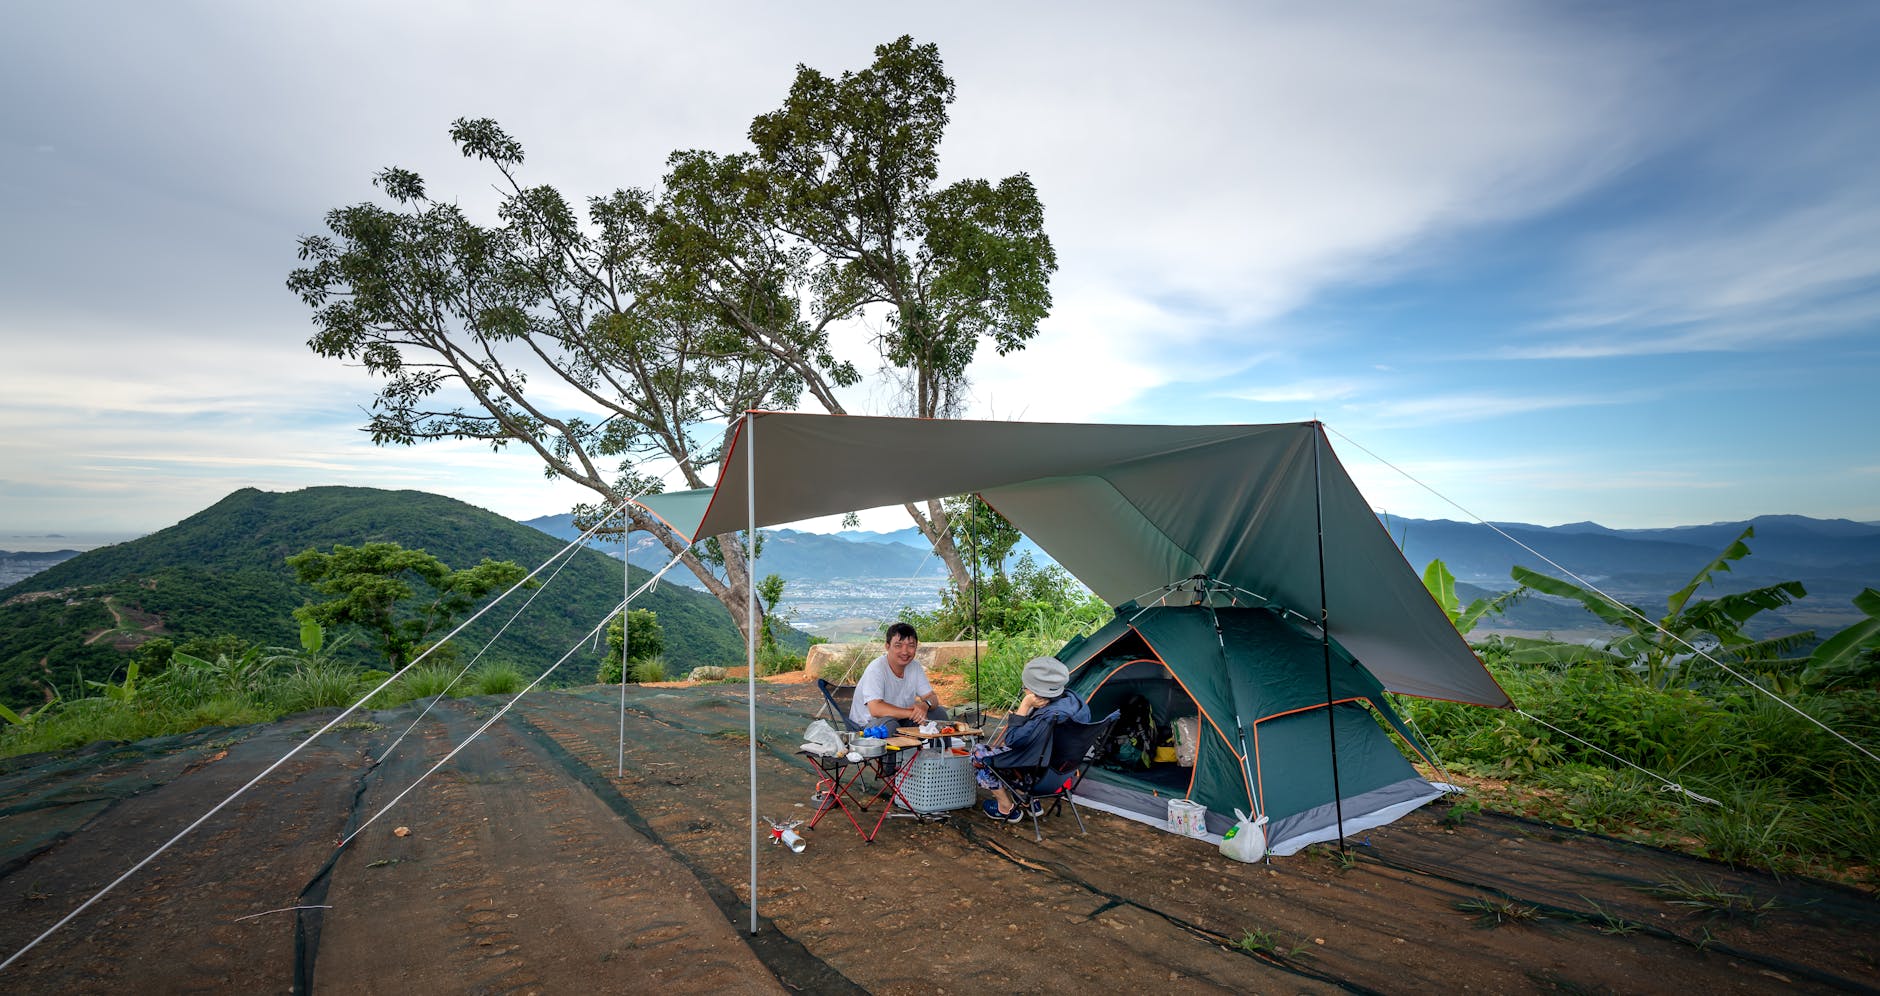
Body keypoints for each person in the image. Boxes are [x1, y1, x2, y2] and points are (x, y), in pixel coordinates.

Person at [973, 656, 1089, 822]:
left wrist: (1025, 706)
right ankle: (1028, 801)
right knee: (1016, 755)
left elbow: (1012, 740)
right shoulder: (1074, 701)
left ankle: (1005, 807)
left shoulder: (1047, 716)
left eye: (1026, 687)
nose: (1024, 689)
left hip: (1036, 773)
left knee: (978, 753)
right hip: (1058, 773)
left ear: (1034, 690)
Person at [848, 621, 949, 731]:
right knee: (890, 725)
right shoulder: (876, 668)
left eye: (911, 646)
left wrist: (925, 705)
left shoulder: (914, 667)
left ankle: (944, 748)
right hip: (867, 726)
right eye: (898, 645)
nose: (905, 652)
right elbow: (876, 709)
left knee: (939, 713)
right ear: (887, 646)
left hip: (901, 720)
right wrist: (912, 713)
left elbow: (932, 697)